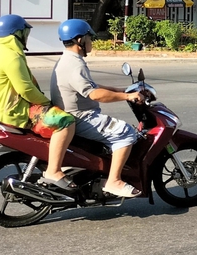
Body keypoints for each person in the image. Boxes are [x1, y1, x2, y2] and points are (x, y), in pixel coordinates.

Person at [50, 19, 145, 198]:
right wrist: (127, 96)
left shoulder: (67, 60)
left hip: (73, 114)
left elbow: (89, 85)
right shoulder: (74, 64)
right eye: (89, 38)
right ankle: (114, 181)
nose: (91, 42)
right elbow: (95, 94)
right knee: (126, 132)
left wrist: (119, 90)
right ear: (80, 40)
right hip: (81, 117)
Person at [0, 14, 77, 190]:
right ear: (17, 34)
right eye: (25, 33)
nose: (27, 37)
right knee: (66, 121)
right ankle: (54, 170)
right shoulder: (11, 57)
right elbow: (26, 90)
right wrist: (48, 103)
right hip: (16, 112)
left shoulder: (0, 53)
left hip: (0, 111)